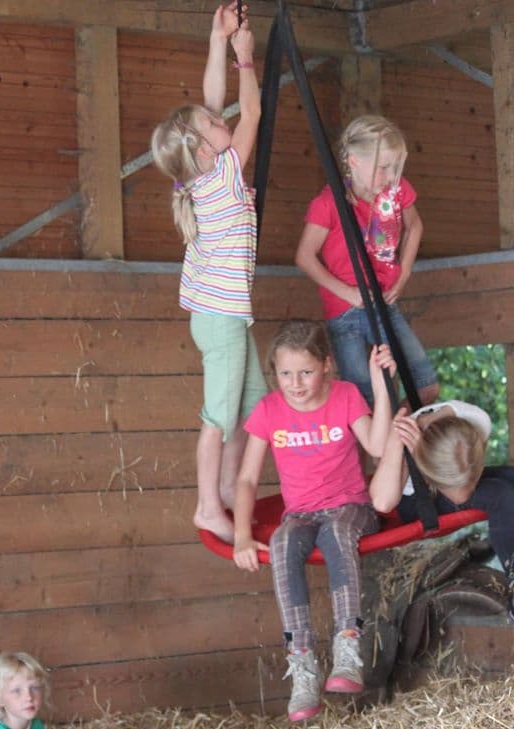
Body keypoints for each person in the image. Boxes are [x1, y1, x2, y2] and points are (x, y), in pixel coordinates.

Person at [233, 319, 396, 722]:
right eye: (285, 373)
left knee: (338, 533)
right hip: (300, 514)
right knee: (283, 542)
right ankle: (302, 665)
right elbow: (248, 478)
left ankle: (347, 647)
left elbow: (377, 444)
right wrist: (240, 535)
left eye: (305, 372)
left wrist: (380, 383)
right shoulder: (269, 410)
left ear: (326, 365)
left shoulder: (344, 395)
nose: (295, 383)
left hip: (350, 507)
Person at [151, 2, 266, 544]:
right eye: (215, 126)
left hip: (224, 315)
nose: (223, 121)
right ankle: (206, 505)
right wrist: (247, 60)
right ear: (202, 147)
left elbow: (213, 105)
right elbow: (252, 114)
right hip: (220, 320)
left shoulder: (200, 172)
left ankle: (222, 493)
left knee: (252, 407)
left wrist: (216, 38)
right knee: (218, 418)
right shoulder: (221, 179)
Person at [295, 113, 438, 407]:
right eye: (383, 167)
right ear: (354, 161)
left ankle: (396, 439)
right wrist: (347, 292)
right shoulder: (329, 203)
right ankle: (381, 445)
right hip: (345, 312)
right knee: (364, 402)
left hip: (384, 303)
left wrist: (405, 272)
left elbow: (415, 225)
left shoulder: (395, 191)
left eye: (395, 168)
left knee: (425, 386)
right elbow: (304, 257)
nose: (390, 176)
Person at [369, 400, 514, 622]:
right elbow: (382, 501)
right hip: (418, 502)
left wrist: (426, 421)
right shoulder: (405, 443)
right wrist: (413, 454)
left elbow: (456, 408)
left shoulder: (476, 423)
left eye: (471, 481)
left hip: (440, 465)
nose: (466, 493)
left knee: (509, 478)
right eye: (458, 487)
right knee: (501, 495)